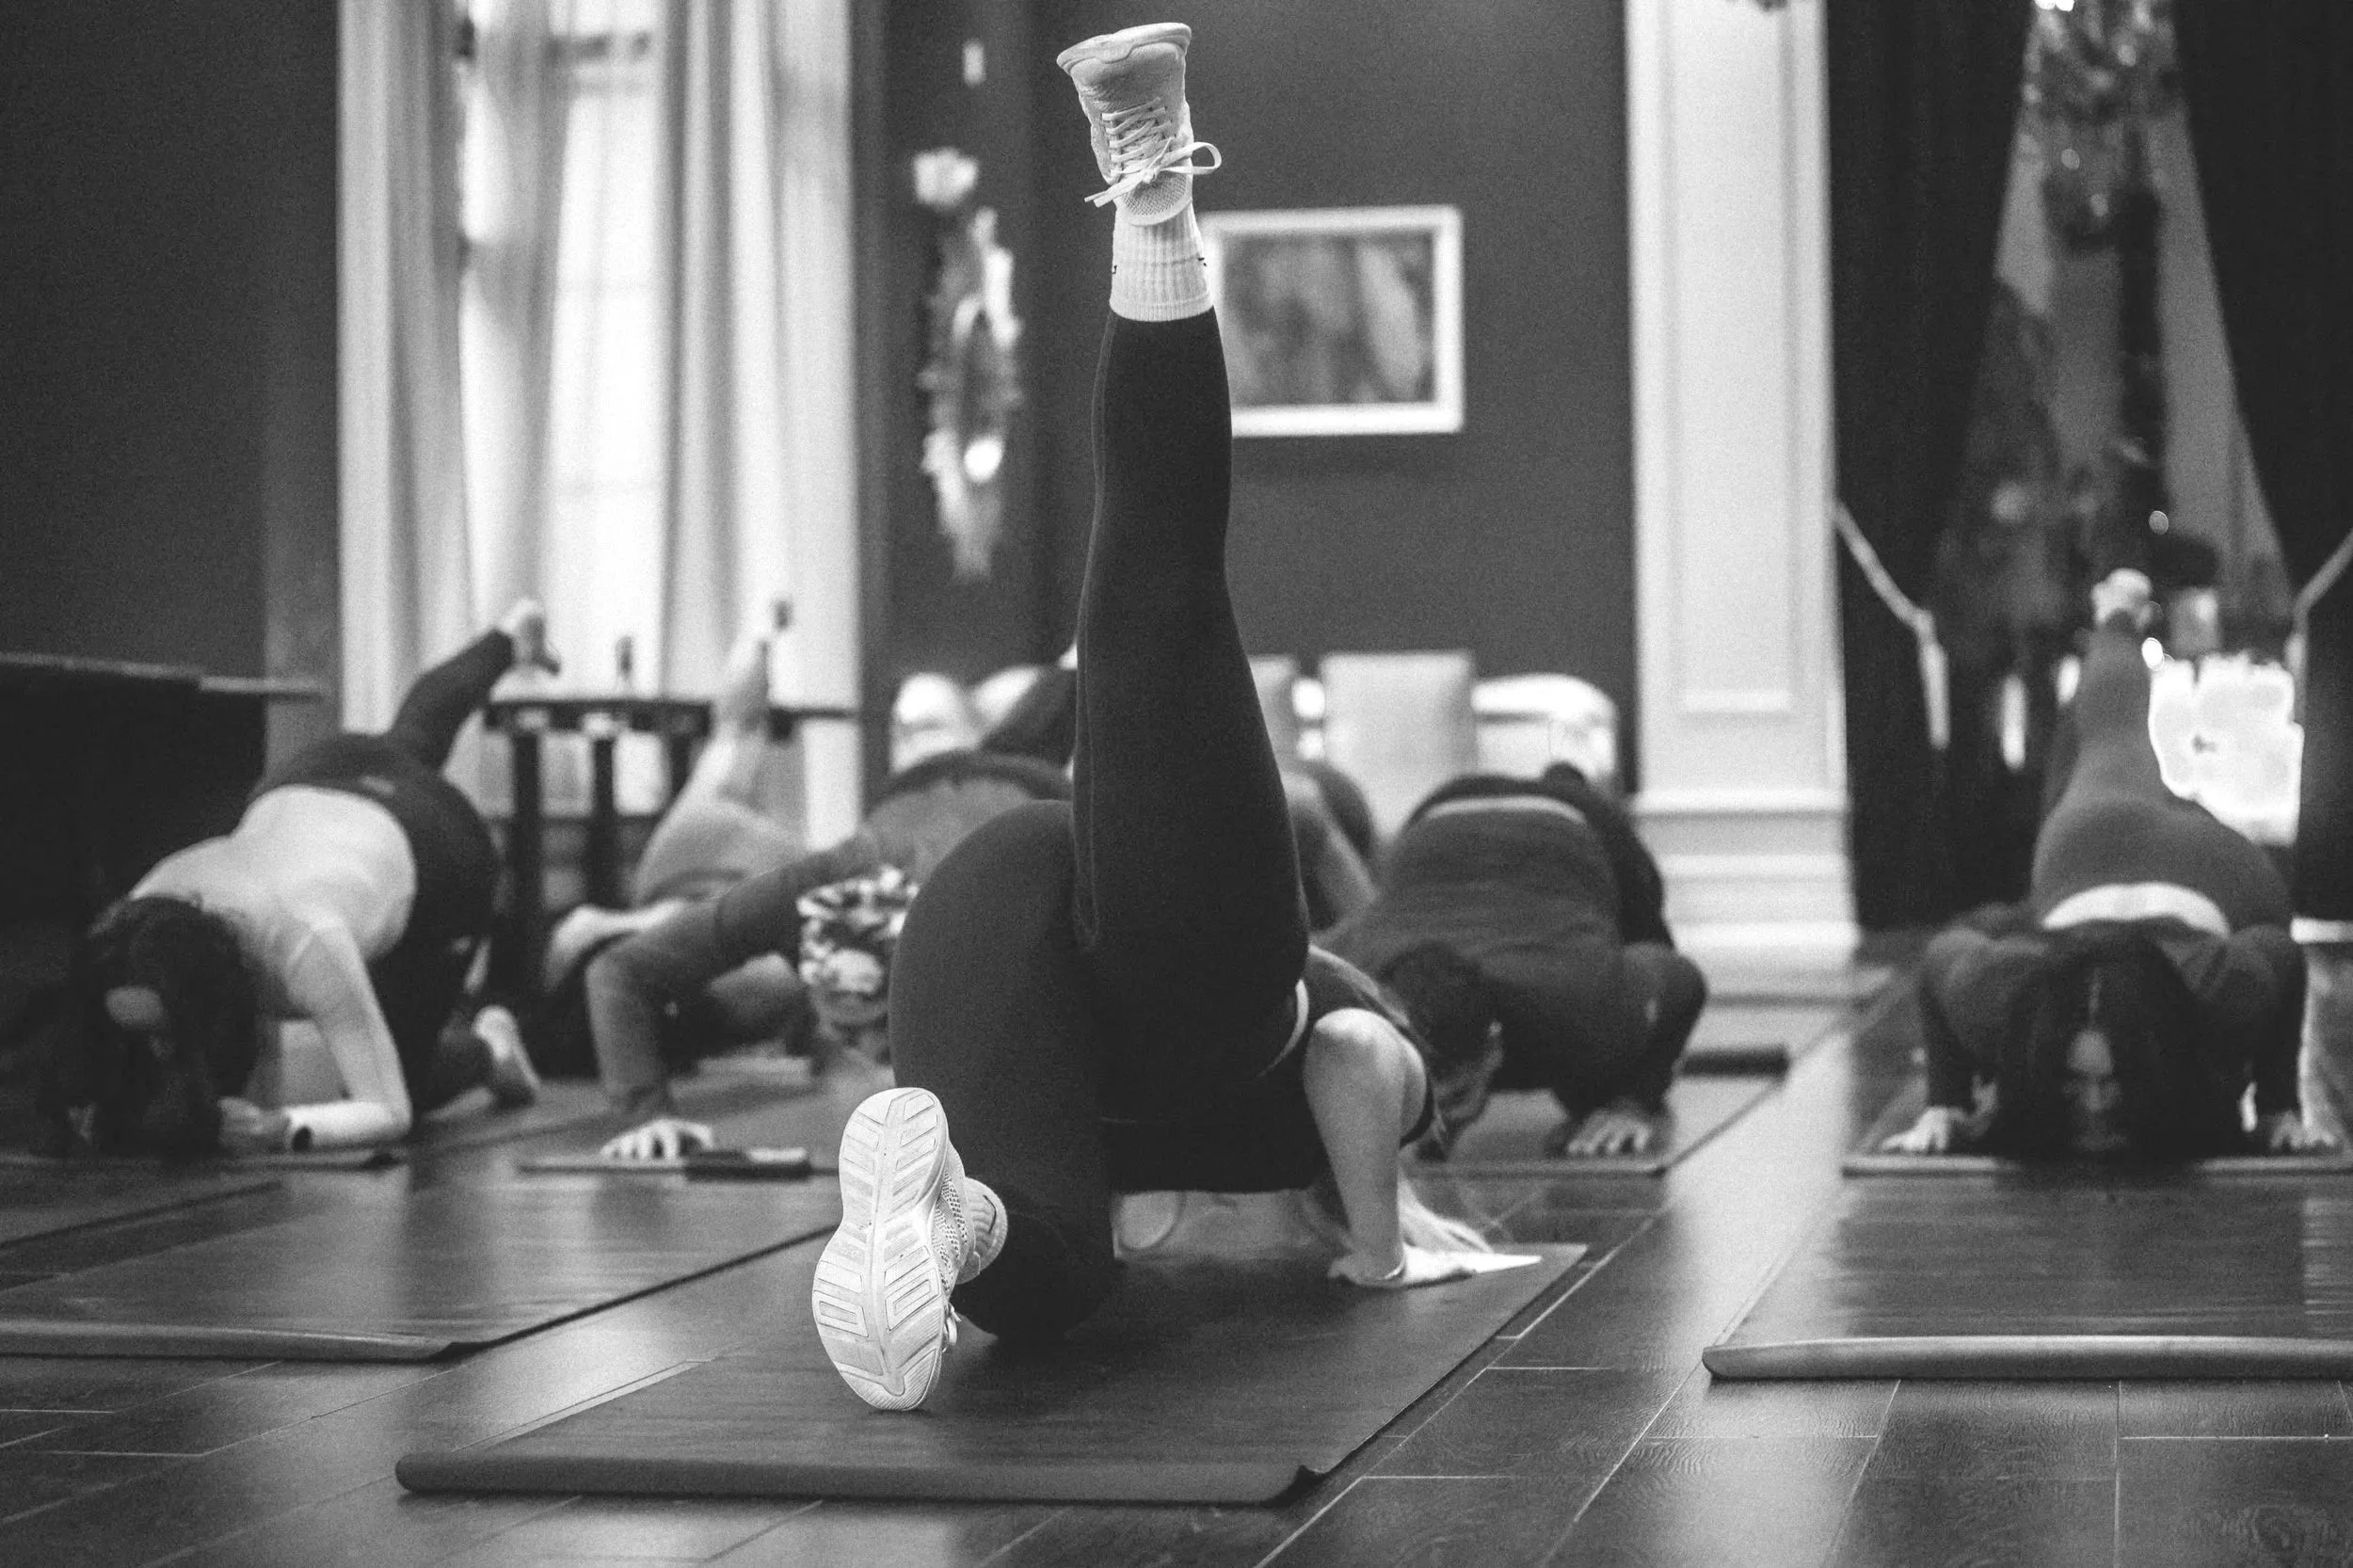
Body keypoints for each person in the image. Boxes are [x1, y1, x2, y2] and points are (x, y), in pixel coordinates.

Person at [807, 22, 1533, 1415]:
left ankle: (943, 1219)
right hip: (1139, 970)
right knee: (1159, 596)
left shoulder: (1289, 1026)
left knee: (1053, 1276)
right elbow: (1354, 1052)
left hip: (1003, 910)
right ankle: (1153, 195)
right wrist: (1382, 1246)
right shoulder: (1346, 1019)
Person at [41, 603, 552, 1157]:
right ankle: (510, 636)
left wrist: (280, 1127)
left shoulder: (305, 945)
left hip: (438, 846)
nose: (158, 1049)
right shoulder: (137, 920)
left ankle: (492, 1049)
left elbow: (388, 1111)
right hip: (319, 773)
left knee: (408, 1079)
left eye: (164, 1033)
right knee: (414, 733)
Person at [1883, 568, 2335, 1160]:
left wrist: (2280, 1108)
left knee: (2111, 743)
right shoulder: (2011, 1001)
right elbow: (2282, 955)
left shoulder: (2214, 996)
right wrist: (1944, 1105)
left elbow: (1941, 956)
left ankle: (2116, 619)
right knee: (2112, 742)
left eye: (2117, 1081)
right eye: (2074, 1081)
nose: (2095, 1106)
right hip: (2213, 876)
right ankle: (2117, 621)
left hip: (2108, 854)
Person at [583, 663, 1075, 1160]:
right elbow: (620, 970)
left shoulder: (1018, 899)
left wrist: (645, 1109)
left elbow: (620, 969)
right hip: (931, 813)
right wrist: (646, 1116)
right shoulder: (819, 886)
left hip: (986, 821)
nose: (871, 1050)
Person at [1321, 762, 1705, 1159]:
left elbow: (1686, 982)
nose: (1428, 1123)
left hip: (1567, 816)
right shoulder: (1344, 984)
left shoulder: (1586, 1003)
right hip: (1439, 819)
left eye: (1455, 1098)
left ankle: (1567, 777)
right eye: (1411, 1095)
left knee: (1597, 1073)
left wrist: (1634, 1101)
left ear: (1493, 1052)